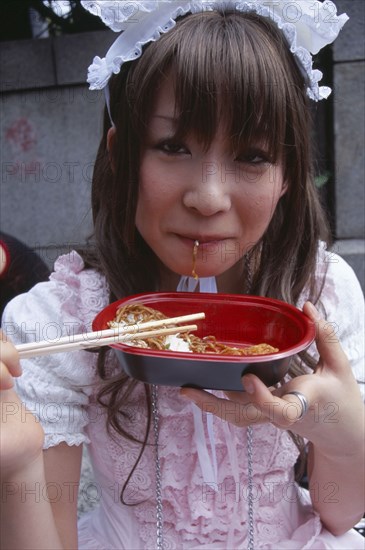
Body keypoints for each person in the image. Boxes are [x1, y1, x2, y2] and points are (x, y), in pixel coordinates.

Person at [1, 1, 364, 548]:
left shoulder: (321, 293)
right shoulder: (61, 318)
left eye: (253, 155)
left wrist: (342, 433)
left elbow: (338, 516)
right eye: (173, 146)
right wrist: (18, 462)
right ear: (122, 155)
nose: (208, 197)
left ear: (288, 172)